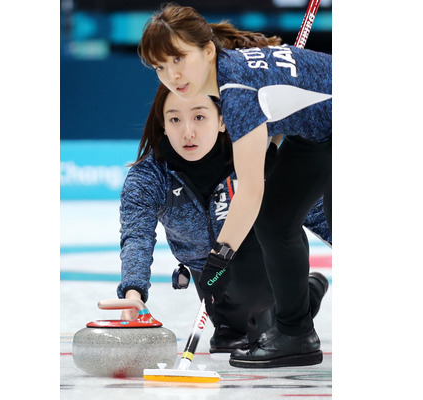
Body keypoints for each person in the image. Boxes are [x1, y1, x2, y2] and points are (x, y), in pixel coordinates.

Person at [138, 4, 332, 367]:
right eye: (160, 66)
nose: (171, 75)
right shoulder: (231, 73)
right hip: (318, 132)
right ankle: (295, 333)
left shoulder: (236, 89)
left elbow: (251, 190)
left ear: (208, 50)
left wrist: (219, 258)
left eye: (178, 58)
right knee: (275, 220)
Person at [116, 83, 331, 353]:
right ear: (163, 125)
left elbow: (312, 209)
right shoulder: (149, 177)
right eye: (174, 119)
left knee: (253, 290)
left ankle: (292, 302)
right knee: (235, 335)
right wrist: (133, 293)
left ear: (221, 120)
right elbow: (137, 237)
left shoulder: (252, 158)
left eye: (199, 117)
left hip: (263, 256)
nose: (188, 132)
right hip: (206, 274)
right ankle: (305, 296)